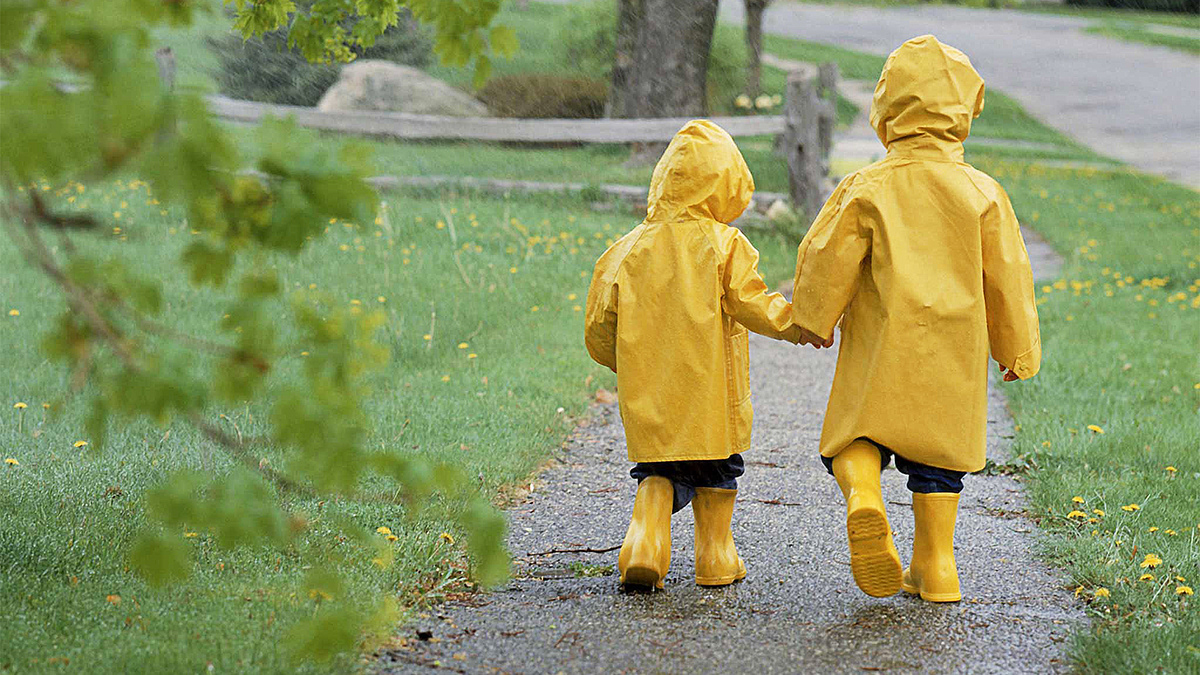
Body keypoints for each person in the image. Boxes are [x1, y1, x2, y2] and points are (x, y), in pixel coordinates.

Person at [791, 35, 1041, 602]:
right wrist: (1016, 348)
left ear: (886, 109)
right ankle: (938, 567)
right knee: (939, 460)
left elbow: (826, 255)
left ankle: (864, 499)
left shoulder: (867, 187)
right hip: (952, 353)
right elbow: (1007, 276)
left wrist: (814, 316)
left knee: (853, 437)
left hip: (882, 344)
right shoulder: (983, 193)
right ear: (964, 111)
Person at [584, 120, 823, 590]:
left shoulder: (626, 250)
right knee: (718, 468)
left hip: (651, 397)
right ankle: (714, 557)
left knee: (657, 470)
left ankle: (645, 541)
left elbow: (599, 324)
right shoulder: (723, 245)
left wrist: (624, 361)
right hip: (712, 396)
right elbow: (752, 302)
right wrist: (797, 325)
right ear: (725, 185)